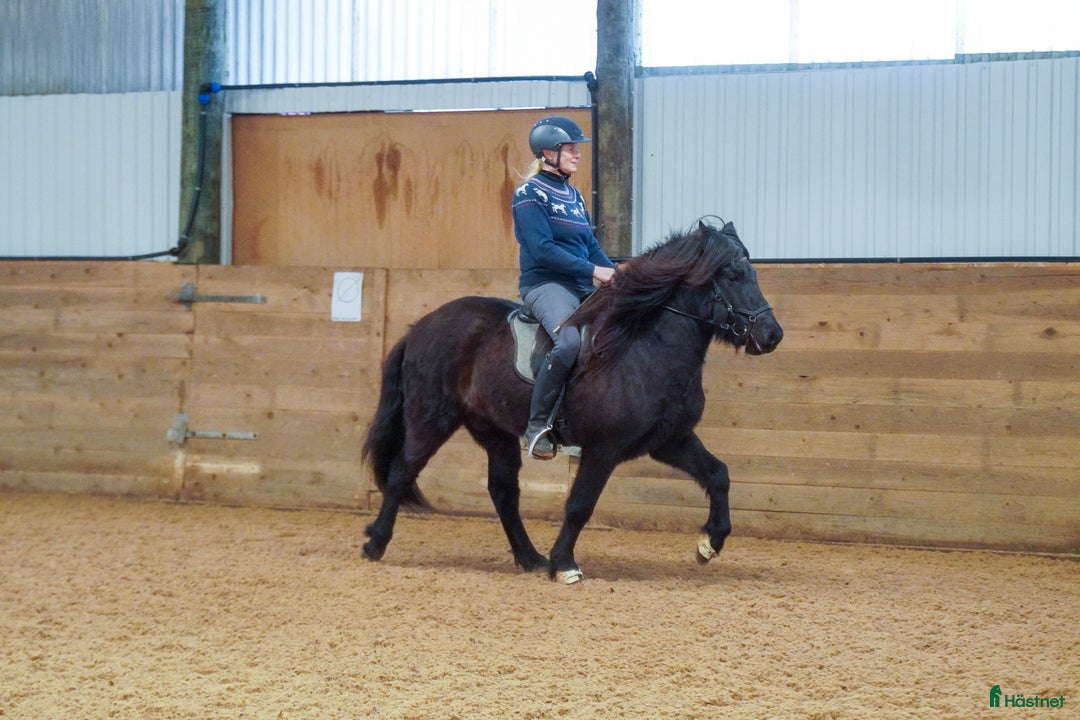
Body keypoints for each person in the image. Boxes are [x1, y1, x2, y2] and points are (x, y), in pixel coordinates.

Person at [512, 115, 617, 459]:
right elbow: (543, 249)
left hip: (579, 282)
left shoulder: (573, 195)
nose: (577, 153)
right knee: (569, 341)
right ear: (548, 152)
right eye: (570, 148)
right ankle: (537, 425)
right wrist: (594, 271)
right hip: (546, 283)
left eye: (577, 148)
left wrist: (617, 275)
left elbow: (589, 244)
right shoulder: (529, 195)